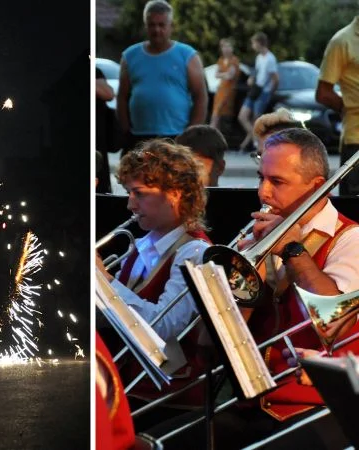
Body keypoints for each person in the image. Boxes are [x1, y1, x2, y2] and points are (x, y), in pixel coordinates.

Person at [149, 129, 359, 449]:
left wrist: (293, 252)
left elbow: (335, 320)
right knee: (153, 444)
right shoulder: (261, 234)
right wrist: (244, 284)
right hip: (254, 401)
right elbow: (212, 343)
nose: (263, 192)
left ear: (317, 188)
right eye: (261, 178)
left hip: (318, 406)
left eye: (278, 182)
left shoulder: (350, 239)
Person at [95, 139, 211, 414]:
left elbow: (163, 327)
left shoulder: (195, 251)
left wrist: (106, 283)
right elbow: (112, 319)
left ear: (175, 194)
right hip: (131, 384)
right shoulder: (142, 243)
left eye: (140, 193)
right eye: (129, 193)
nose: (129, 205)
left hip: (170, 397)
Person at [117, 0, 207, 156]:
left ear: (171, 26)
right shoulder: (130, 56)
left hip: (176, 136)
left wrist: (191, 134)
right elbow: (122, 97)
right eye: (152, 25)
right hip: (138, 137)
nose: (156, 29)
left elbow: (200, 96)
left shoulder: (187, 55)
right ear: (145, 26)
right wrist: (126, 130)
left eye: (161, 24)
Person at [316, 16, 359, 195]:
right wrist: (348, 108)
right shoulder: (342, 41)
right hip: (356, 141)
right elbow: (323, 93)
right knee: (354, 215)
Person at [238, 32, 279, 152]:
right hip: (255, 89)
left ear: (260, 43)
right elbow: (257, 72)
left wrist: (270, 92)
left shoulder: (270, 58)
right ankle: (254, 140)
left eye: (254, 43)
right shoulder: (259, 57)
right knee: (243, 116)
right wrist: (252, 78)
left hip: (263, 91)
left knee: (256, 119)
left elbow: (275, 78)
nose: (252, 46)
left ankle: (251, 144)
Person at [210, 38, 240, 130]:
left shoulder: (234, 60)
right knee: (215, 115)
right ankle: (213, 133)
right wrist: (225, 74)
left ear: (232, 48)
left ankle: (212, 132)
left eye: (228, 46)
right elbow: (216, 74)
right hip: (220, 90)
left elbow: (230, 76)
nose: (226, 49)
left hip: (229, 91)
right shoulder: (221, 60)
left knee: (218, 115)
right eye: (224, 47)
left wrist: (222, 74)